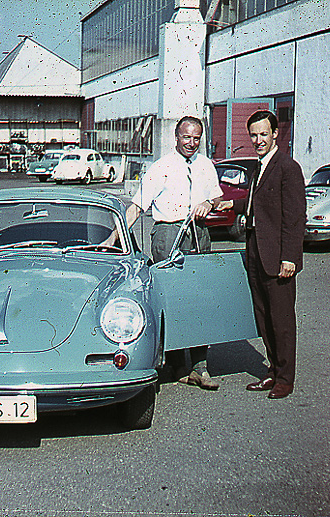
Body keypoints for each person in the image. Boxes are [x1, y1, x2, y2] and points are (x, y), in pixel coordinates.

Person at [116, 116, 224, 390]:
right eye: (187, 137)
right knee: (172, 300)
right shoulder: (160, 167)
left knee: (200, 299)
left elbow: (218, 198)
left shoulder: (206, 165)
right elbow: (138, 206)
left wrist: (208, 204)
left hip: (199, 234)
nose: (192, 142)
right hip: (167, 235)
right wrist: (112, 237)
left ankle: (201, 367)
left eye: (197, 137)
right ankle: (176, 366)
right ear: (176, 137)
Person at [219, 110, 306, 399]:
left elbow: (295, 217)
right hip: (256, 250)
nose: (258, 140)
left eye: (263, 134)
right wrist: (229, 204)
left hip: (278, 256)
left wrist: (290, 258)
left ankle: (285, 378)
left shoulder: (287, 167)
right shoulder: (260, 166)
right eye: (254, 135)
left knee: (281, 320)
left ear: (275, 134)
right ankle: (272, 370)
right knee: (263, 316)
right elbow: (257, 201)